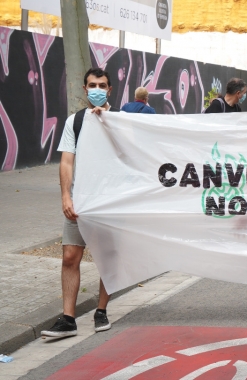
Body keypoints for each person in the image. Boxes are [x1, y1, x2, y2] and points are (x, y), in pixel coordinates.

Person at [41, 68, 119, 338]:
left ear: (109, 90)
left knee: (106, 258)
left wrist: (108, 122)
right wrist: (65, 195)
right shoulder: (74, 121)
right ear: (85, 89)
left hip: (109, 203)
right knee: (69, 257)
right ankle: (68, 319)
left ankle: (101, 311)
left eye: (102, 85)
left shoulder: (121, 120)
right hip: (80, 201)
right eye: (92, 85)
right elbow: (66, 160)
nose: (97, 89)